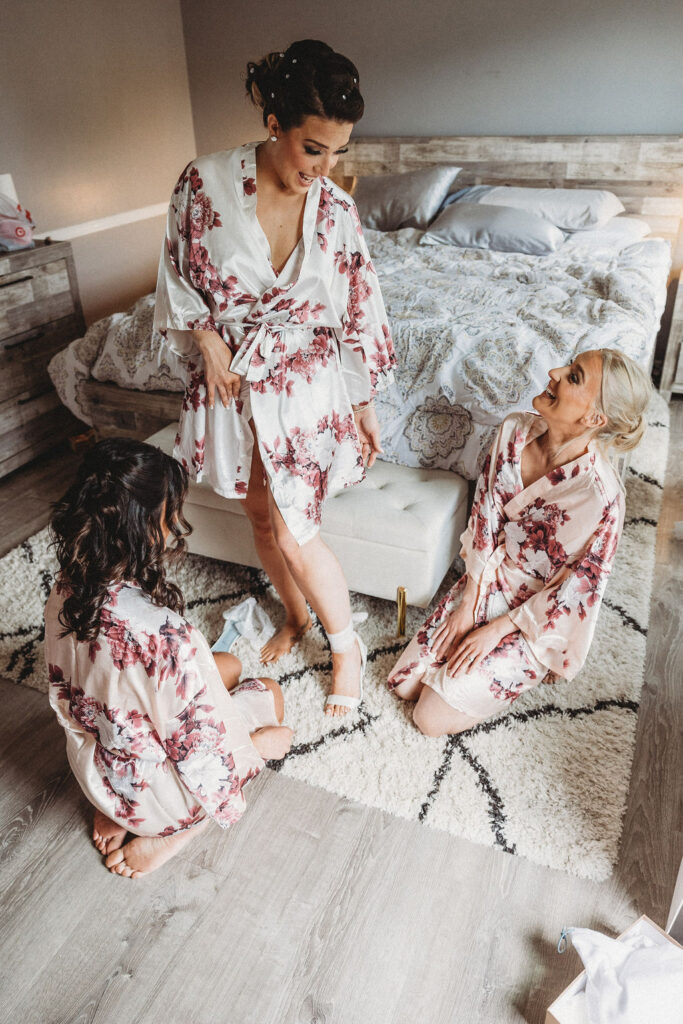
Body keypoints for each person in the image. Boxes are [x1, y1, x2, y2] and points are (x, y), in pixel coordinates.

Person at [154, 39, 396, 717]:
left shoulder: (339, 215)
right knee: (259, 514)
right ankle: (293, 614)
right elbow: (177, 273)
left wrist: (363, 406)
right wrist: (204, 337)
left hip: (307, 386)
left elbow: (355, 315)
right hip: (232, 380)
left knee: (295, 528)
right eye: (312, 148)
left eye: (338, 153)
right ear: (274, 125)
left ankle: (344, 646)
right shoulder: (202, 185)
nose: (324, 168)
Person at [45, 439, 293, 879]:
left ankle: (116, 810)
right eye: (169, 514)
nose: (174, 523)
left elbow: (66, 692)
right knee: (270, 698)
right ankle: (172, 833)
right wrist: (255, 753)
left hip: (95, 770)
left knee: (227, 667)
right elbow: (199, 754)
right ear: (145, 526)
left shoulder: (67, 587)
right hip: (153, 799)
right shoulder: (165, 635)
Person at [387, 349, 652, 736]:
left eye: (574, 377)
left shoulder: (602, 497)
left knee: (428, 719)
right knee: (405, 684)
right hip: (487, 580)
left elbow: (579, 592)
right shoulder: (513, 432)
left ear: (595, 419)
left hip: (532, 619)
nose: (554, 372)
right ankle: (479, 672)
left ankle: (520, 673)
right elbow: (484, 519)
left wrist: (495, 631)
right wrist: (468, 605)